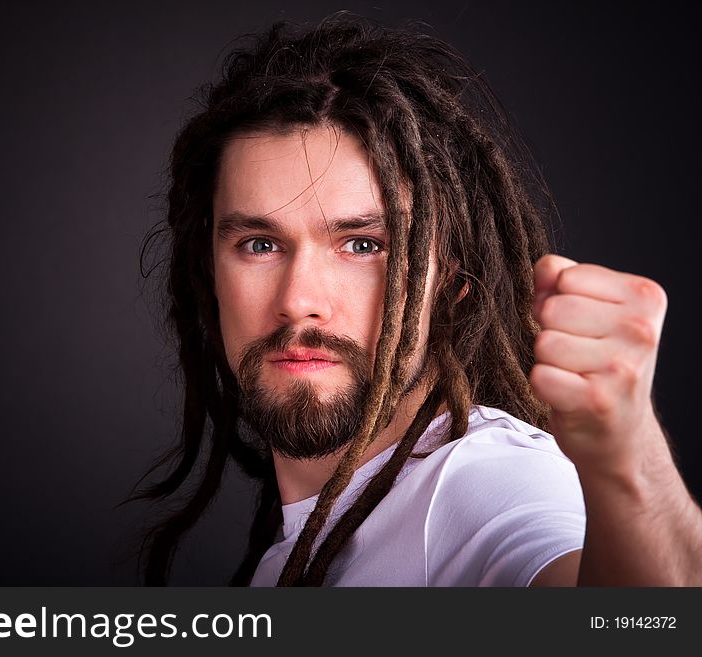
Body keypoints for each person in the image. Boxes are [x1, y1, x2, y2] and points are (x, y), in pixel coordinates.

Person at [129, 14, 702, 586]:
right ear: (209, 272)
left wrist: (633, 467)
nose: (298, 301)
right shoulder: (305, 542)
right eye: (259, 244)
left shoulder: (484, 481)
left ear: (450, 282)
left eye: (361, 244)